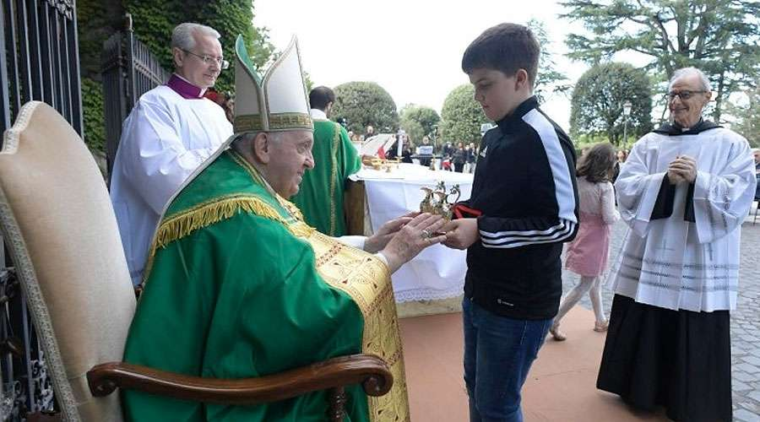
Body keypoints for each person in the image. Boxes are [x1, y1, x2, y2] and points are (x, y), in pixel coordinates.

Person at [122, 35, 447, 422]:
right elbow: (308, 316)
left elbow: (296, 255)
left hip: (199, 360)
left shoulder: (240, 184)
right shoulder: (243, 216)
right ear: (262, 146)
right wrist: (393, 256)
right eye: (303, 147)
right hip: (212, 397)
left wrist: (371, 244)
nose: (311, 162)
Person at [597, 67, 757, 422]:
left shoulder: (731, 143)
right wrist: (663, 181)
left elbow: (741, 193)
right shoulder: (651, 142)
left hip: (700, 257)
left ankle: (690, 401)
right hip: (654, 249)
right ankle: (641, 391)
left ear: (707, 97)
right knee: (649, 315)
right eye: (672, 94)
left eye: (685, 94)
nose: (676, 102)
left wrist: (700, 180)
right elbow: (627, 187)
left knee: (693, 321)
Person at [442, 23, 579, 422]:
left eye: (485, 84)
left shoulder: (544, 136)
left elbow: (564, 224)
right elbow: (489, 204)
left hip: (519, 302)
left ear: (520, 79)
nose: (477, 96)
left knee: (498, 404)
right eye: (474, 86)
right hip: (481, 289)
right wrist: (450, 217)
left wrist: (481, 231)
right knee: (477, 389)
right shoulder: (493, 137)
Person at [110, 23, 233, 286]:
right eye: (207, 58)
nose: (215, 67)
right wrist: (229, 155)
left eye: (220, 60)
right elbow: (166, 176)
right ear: (179, 56)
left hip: (209, 242)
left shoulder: (215, 112)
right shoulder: (153, 106)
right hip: (162, 250)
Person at [549, 143, 620, 341]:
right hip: (597, 238)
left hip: (580, 232)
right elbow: (608, 217)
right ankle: (554, 320)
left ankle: (600, 319)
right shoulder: (605, 187)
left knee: (594, 279)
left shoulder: (577, 180)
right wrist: (619, 214)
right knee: (586, 283)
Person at [290, 86, 361, 236]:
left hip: (295, 191)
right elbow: (353, 167)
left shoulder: (294, 127)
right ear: (329, 105)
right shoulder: (336, 131)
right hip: (327, 199)